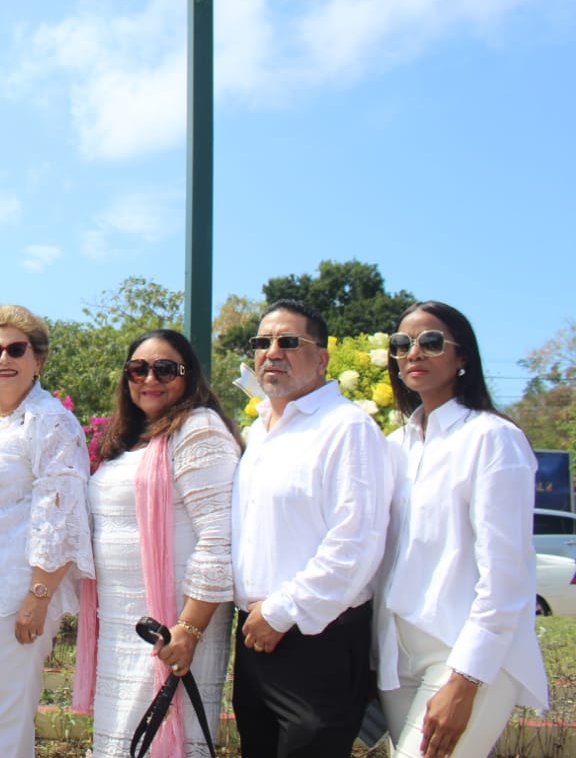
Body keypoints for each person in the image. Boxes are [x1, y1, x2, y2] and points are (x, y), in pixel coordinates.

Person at [376, 301, 548, 758]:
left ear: (463, 358)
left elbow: (506, 574)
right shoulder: (395, 447)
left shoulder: (493, 438)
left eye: (430, 342)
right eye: (401, 344)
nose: (413, 353)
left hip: (465, 656)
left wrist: (466, 678)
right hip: (398, 660)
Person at [230, 298, 392, 758]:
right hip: (256, 638)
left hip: (316, 637)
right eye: (262, 343)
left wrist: (281, 612)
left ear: (321, 358)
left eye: (288, 341)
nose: (272, 352)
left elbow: (356, 544)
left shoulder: (346, 428)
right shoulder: (258, 432)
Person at [74, 329, 241, 758]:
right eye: (138, 368)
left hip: (173, 630)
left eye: (166, 368)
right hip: (123, 626)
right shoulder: (133, 437)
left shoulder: (199, 430)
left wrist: (189, 628)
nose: (150, 378)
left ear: (190, 377)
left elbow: (219, 537)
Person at [0, 304, 94, 758]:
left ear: (38, 359)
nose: (3, 358)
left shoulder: (50, 422)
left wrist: (38, 596)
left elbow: (63, 514)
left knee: (2, 721)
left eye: (16, 349)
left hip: (14, 592)